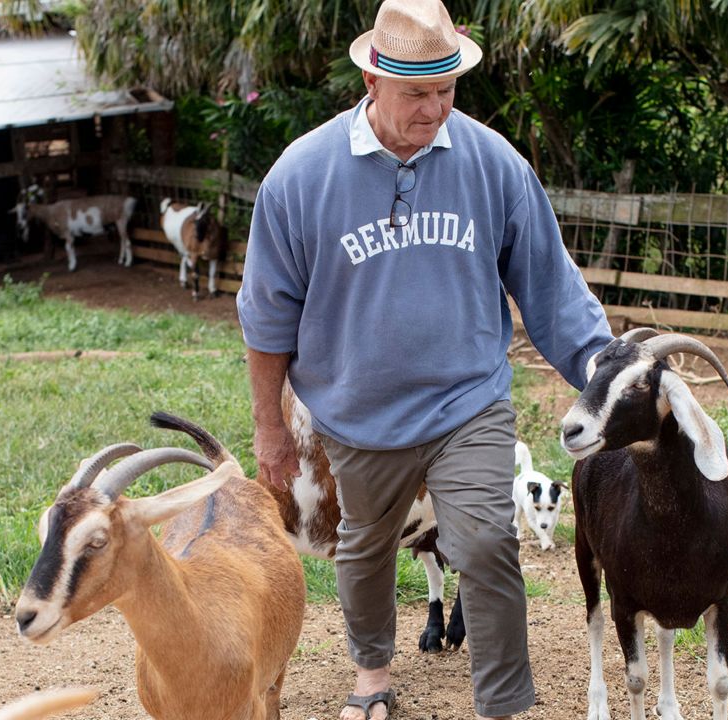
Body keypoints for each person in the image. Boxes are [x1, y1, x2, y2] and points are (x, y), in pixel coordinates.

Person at [236, 0, 613, 718]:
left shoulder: (494, 164)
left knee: (486, 544)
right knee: (365, 552)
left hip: (465, 404)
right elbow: (266, 318)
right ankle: (372, 679)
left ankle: (504, 705)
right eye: (417, 94)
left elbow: (551, 287)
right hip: (353, 413)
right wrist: (269, 427)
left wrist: (607, 375)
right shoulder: (301, 178)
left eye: (447, 91)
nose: (436, 110)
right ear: (373, 82)